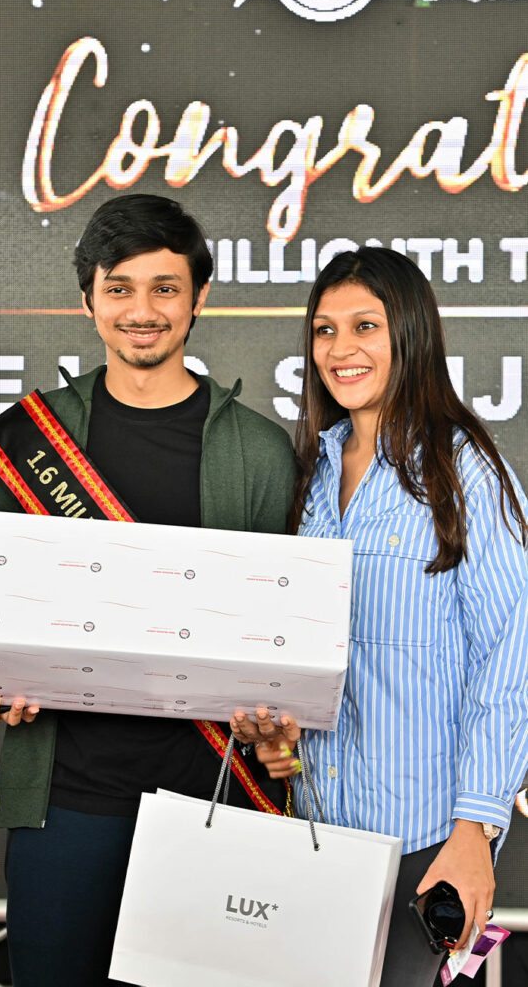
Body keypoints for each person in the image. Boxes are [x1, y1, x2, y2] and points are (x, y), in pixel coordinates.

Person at [0, 194, 297, 986]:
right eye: (119, 288)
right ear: (87, 299)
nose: (141, 311)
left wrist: (278, 718)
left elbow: (284, 633)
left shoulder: (258, 450)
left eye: (164, 288)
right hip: (66, 801)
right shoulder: (32, 437)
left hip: (213, 797)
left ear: (198, 297)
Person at [234, 247, 528, 987]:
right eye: (324, 330)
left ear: (411, 334)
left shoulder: (466, 471)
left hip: (423, 839)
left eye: (365, 326)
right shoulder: (313, 470)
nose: (341, 349)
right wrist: (279, 732)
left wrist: (474, 829)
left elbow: (509, 658)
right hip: (317, 827)